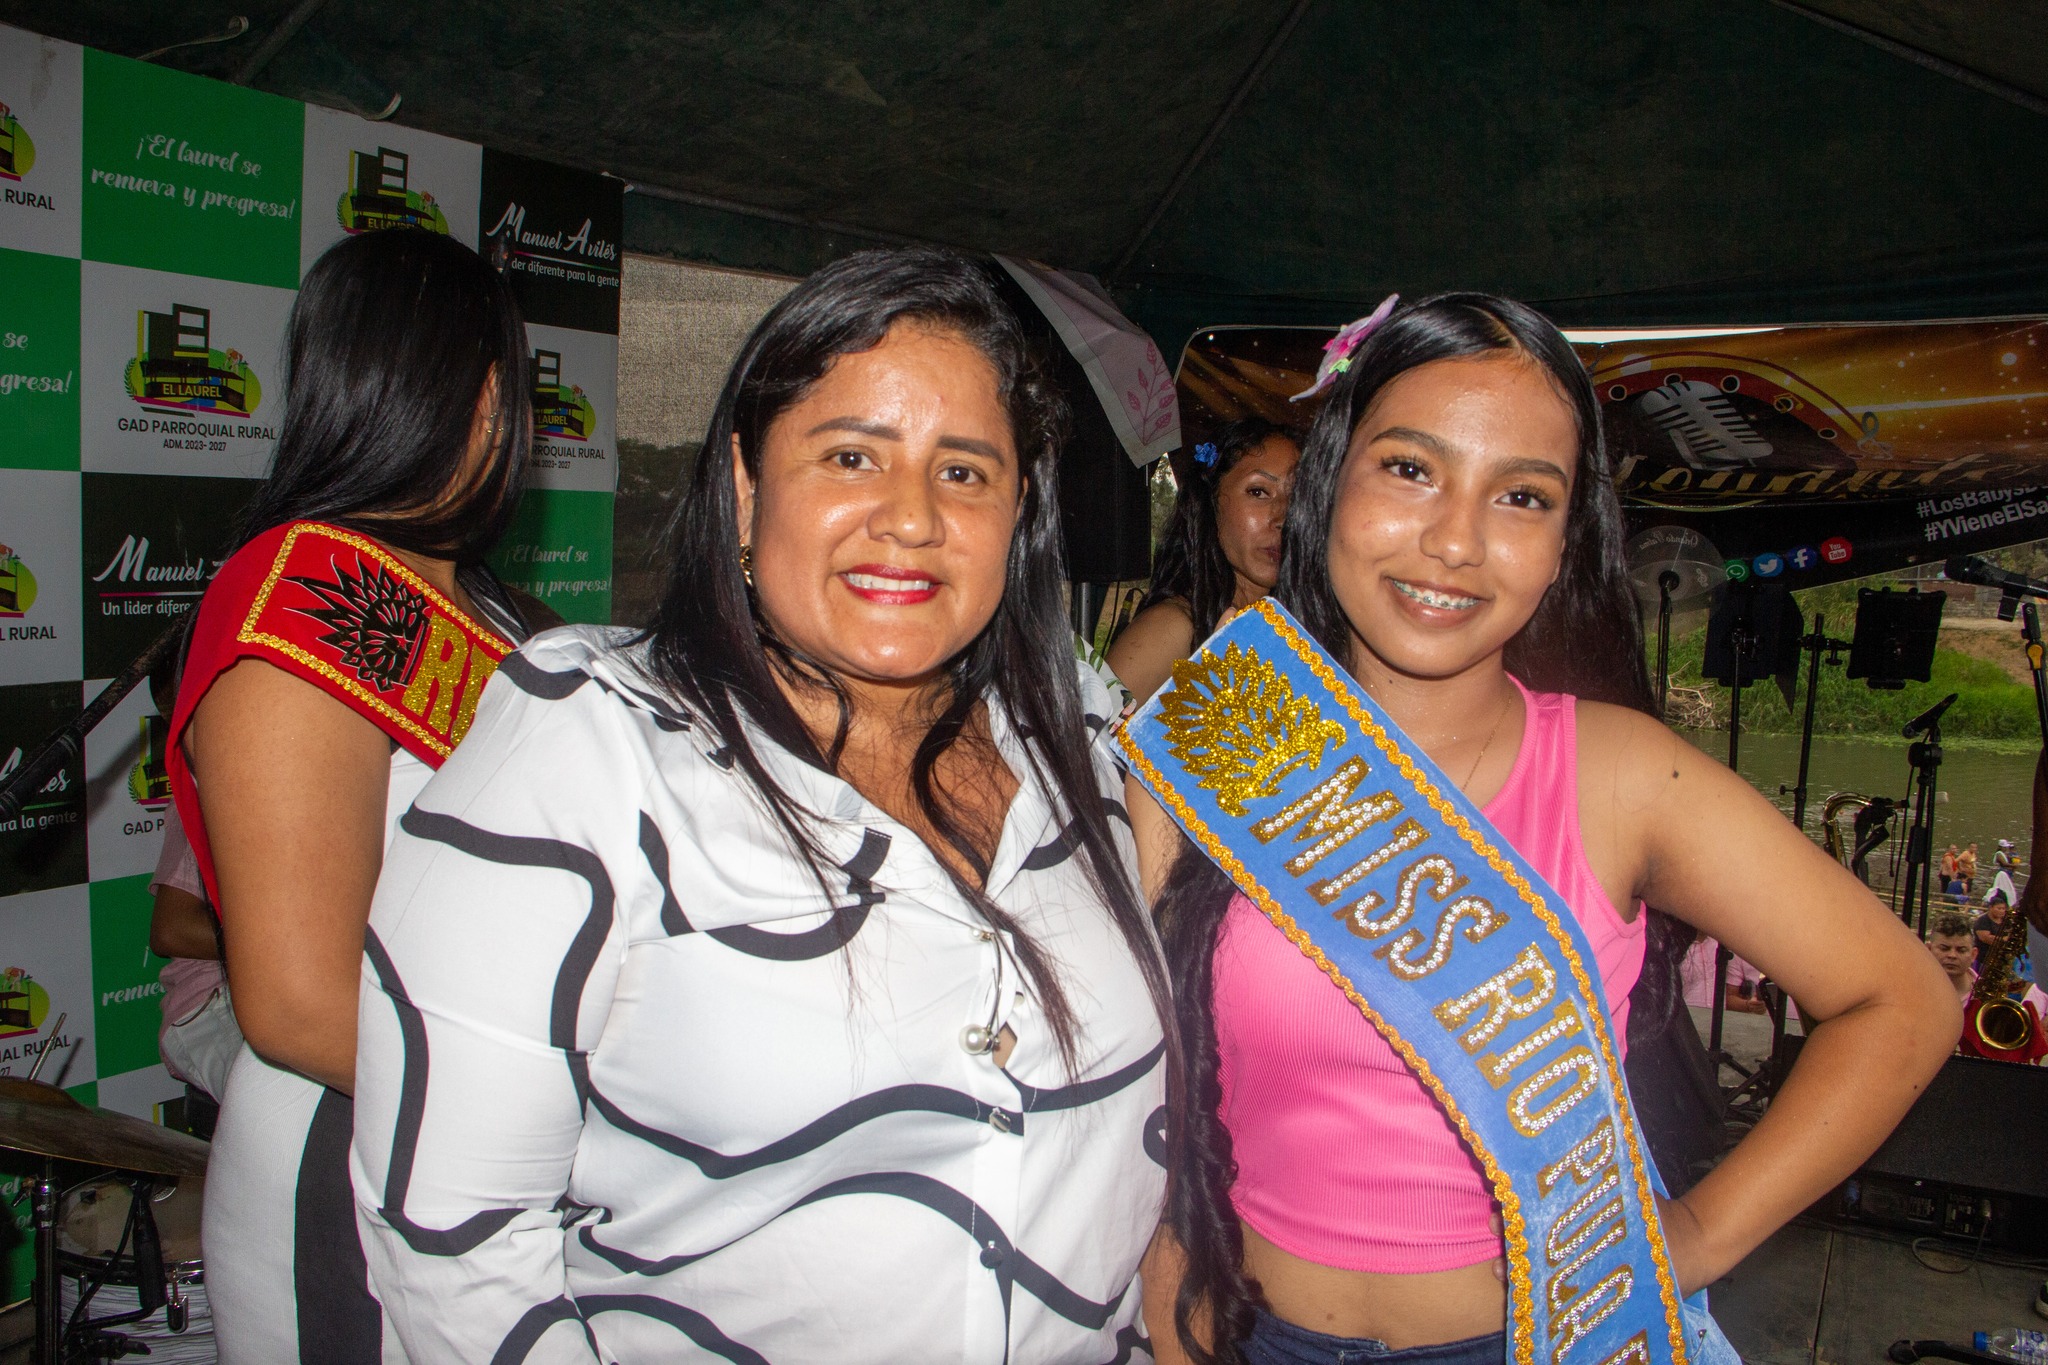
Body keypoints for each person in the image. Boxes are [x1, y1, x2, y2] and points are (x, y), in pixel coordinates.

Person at [350, 248, 1175, 1362]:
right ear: (744, 490)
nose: (911, 518)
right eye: (851, 456)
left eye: (964, 471)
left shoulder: (1080, 743)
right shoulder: (592, 741)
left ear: (1019, 509)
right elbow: (455, 1246)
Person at [1132, 293, 1958, 1365]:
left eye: (1521, 496)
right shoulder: (1216, 742)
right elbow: (1151, 1089)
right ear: (1325, 486)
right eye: (1409, 469)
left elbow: (1901, 1002)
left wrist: (1699, 1234)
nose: (1454, 541)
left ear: (1567, 542)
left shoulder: (1622, 776)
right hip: (1244, 1334)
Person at [166, 227, 536, 1363]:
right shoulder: (306, 597)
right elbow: (301, 1003)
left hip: (482, 1143)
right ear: (488, 401)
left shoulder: (493, 612)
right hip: (350, 1162)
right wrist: (581, 1107)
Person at [1107, 418, 1302, 701]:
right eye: (1258, 492)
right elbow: (1090, 726)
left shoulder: (1292, 630)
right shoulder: (1172, 628)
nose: (1283, 517)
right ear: (1210, 502)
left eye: (1298, 497)